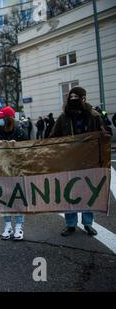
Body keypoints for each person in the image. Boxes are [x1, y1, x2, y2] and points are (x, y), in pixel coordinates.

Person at [49, 86, 106, 237]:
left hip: (89, 161)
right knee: (70, 194)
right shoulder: (63, 117)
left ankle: (88, 223)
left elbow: (104, 135)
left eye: (76, 97)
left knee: (88, 193)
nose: (73, 99)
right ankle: (70, 224)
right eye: (71, 97)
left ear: (83, 98)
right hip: (70, 162)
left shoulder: (94, 116)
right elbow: (53, 137)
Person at [0, 106, 28, 241]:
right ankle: (7, 226)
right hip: (2, 169)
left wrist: (16, 145)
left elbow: (27, 150)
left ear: (7, 119)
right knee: (4, 197)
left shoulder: (20, 132)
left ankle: (19, 226)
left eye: (0, 118)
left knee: (18, 197)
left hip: (17, 169)